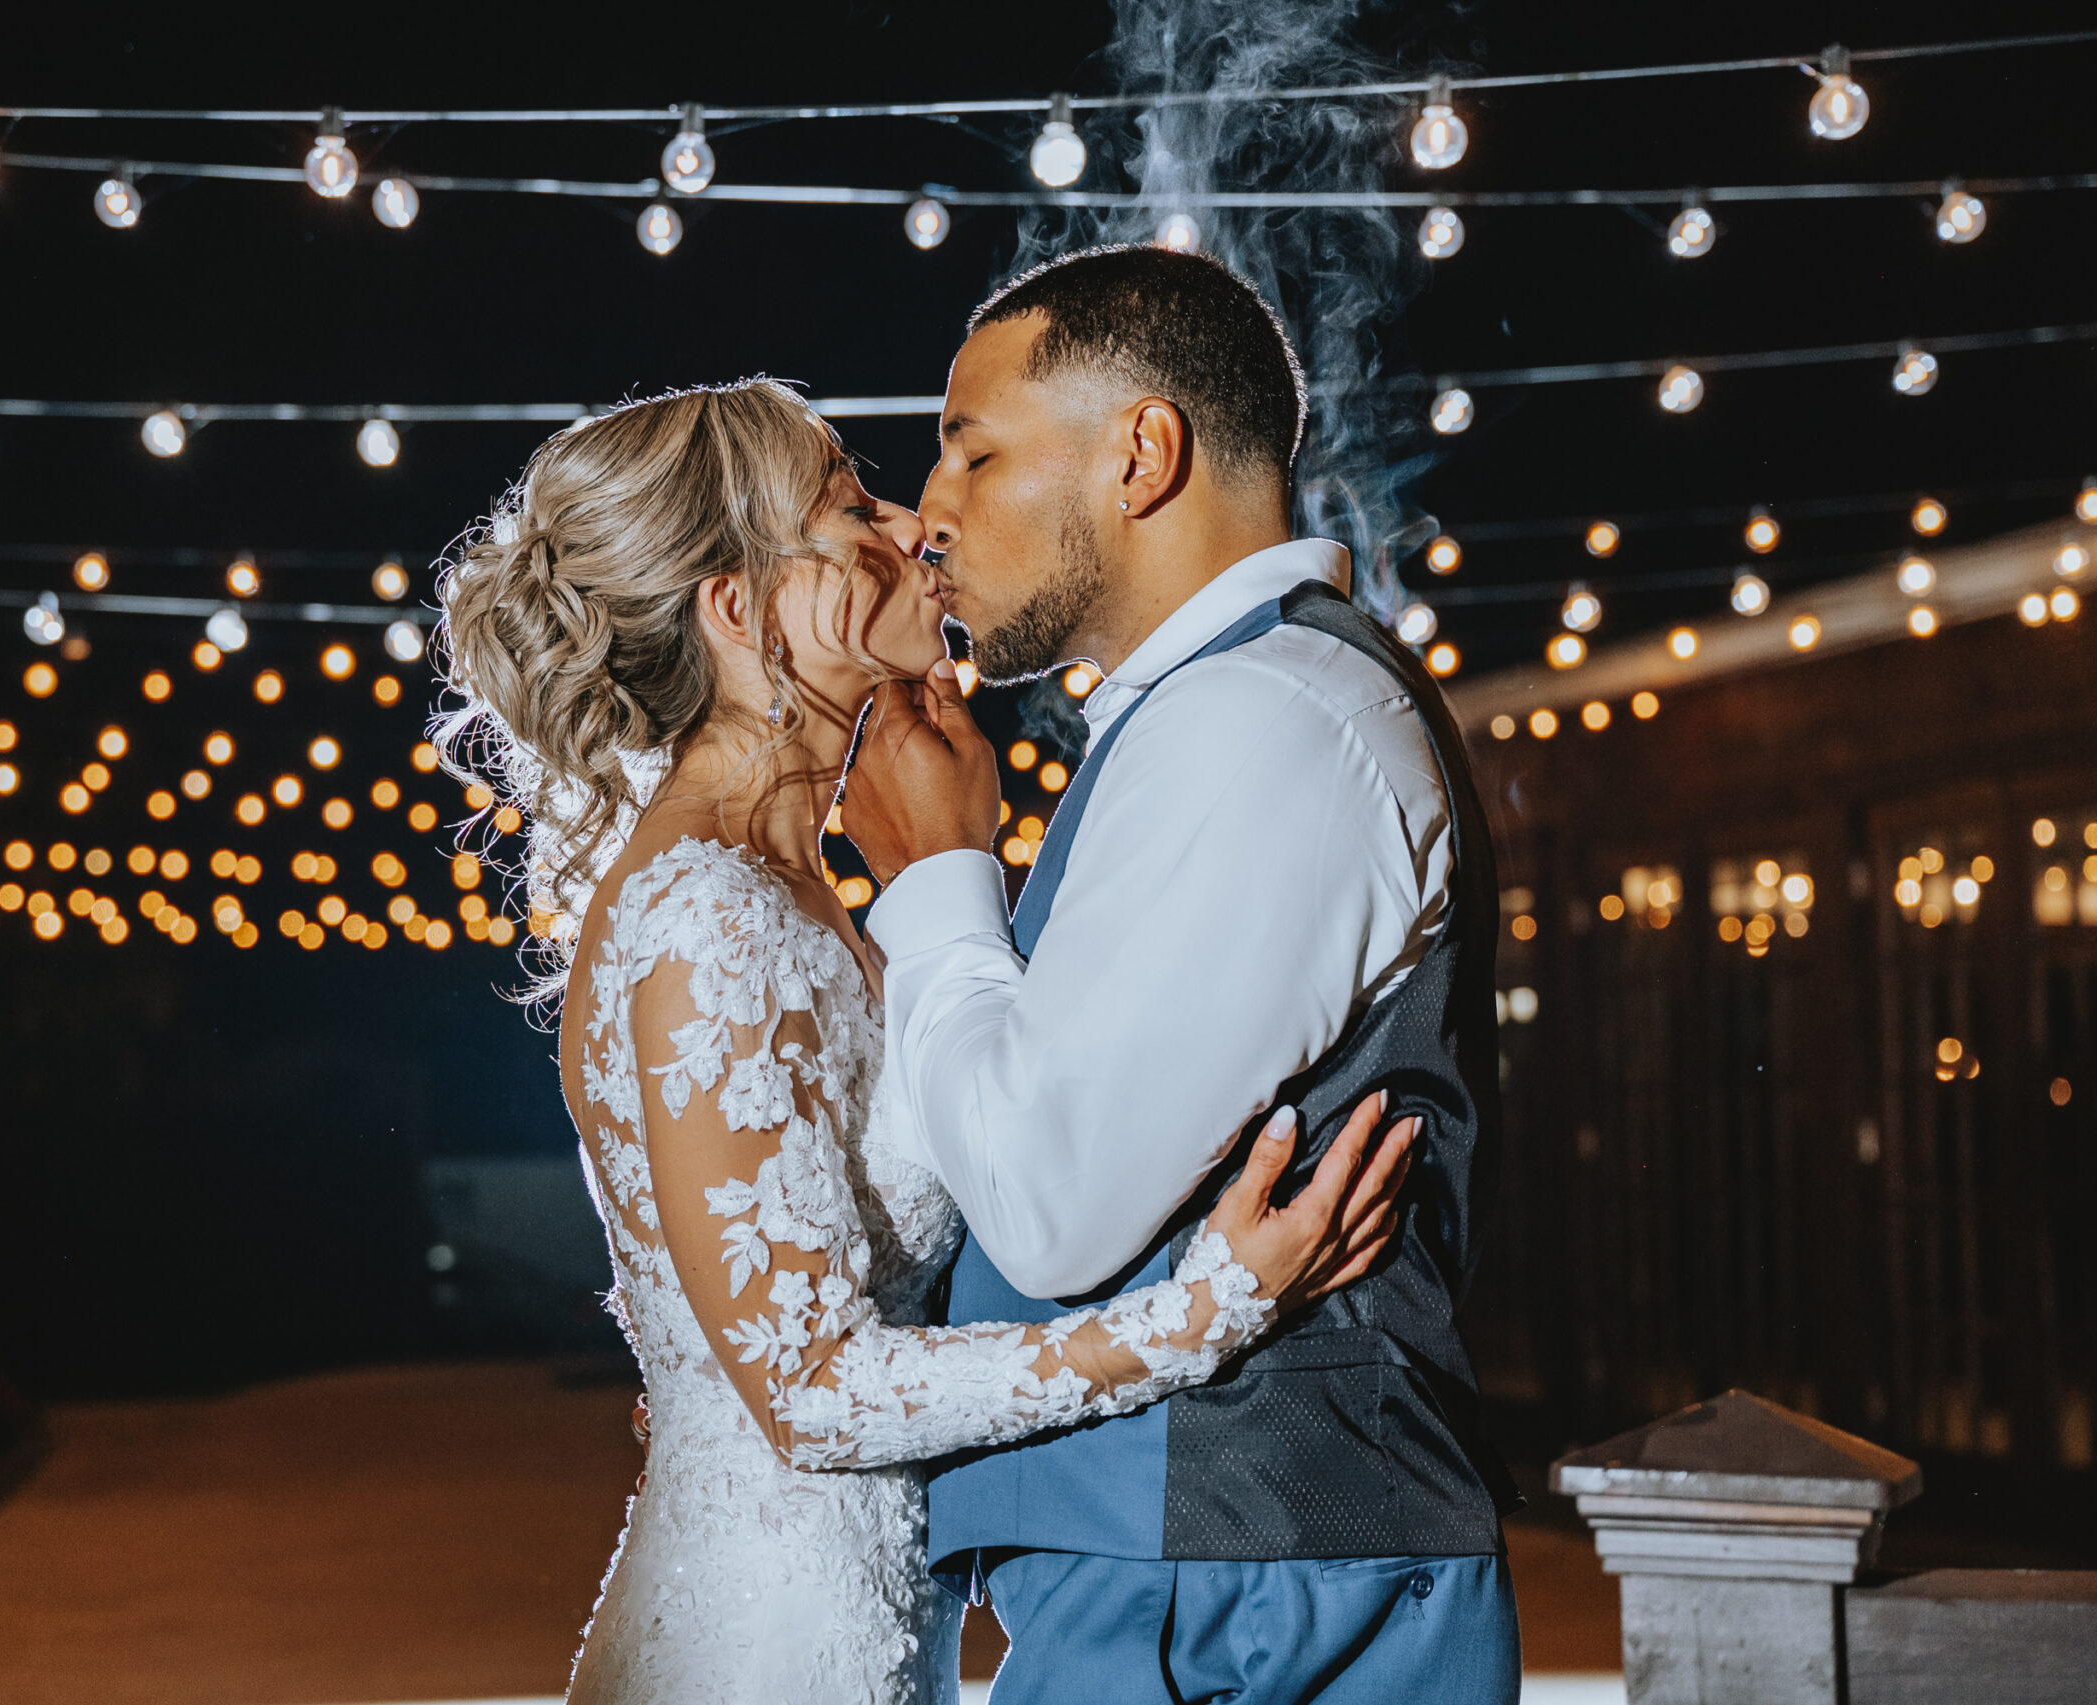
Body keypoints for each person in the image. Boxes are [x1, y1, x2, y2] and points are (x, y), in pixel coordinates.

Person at [432, 377, 1420, 1704]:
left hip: (865, 1622)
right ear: (741, 609)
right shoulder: (700, 917)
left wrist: (952, 863)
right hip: (766, 1649)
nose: (911, 525)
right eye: (850, 506)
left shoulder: (799, 887)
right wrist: (1201, 1315)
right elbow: (812, 1394)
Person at [838, 244, 1523, 1704]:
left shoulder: (1266, 718)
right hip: (1193, 1561)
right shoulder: (1217, 713)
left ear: (1143, 452)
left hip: (1242, 1584)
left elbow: (1051, 1194)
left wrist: (939, 879)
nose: (929, 516)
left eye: (972, 452)